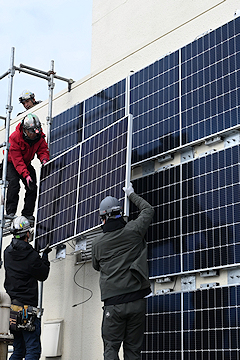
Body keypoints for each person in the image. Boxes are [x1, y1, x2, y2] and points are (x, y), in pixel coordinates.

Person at [92, 182, 155, 360]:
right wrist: (131, 195)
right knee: (133, 351)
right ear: (120, 213)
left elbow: (96, 266)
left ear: (103, 218)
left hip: (114, 305)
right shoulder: (134, 230)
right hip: (137, 301)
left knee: (111, 349)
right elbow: (148, 210)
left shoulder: (98, 243)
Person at [4, 215, 51, 360]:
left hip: (12, 308)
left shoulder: (7, 252)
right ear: (28, 234)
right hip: (26, 310)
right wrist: (44, 258)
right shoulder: (31, 255)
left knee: (18, 350)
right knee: (33, 350)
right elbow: (42, 274)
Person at [6, 113, 49, 224]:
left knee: (32, 187)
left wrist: (44, 159)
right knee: (14, 184)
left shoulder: (38, 137)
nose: (34, 134)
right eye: (31, 132)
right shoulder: (15, 138)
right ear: (25, 130)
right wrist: (26, 174)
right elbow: (18, 161)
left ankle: (28, 214)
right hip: (12, 163)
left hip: (26, 163)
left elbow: (43, 149)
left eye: (36, 131)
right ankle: (10, 213)